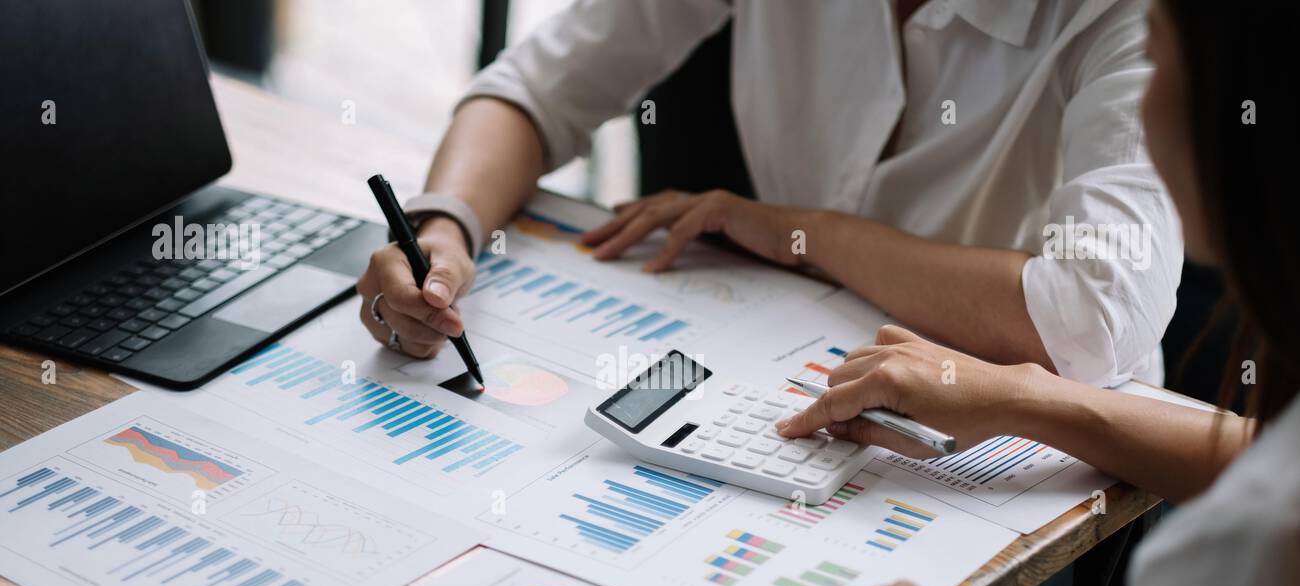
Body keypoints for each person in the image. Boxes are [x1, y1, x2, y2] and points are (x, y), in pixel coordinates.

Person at [778, 0, 1300, 586]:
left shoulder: (1235, 564)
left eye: (1153, 56)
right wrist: (1026, 395)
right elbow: (1272, 455)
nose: (1135, 105)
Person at [355, 0, 1181, 388]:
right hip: (789, 376)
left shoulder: (1128, 19)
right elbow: (541, 87)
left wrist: (798, 231)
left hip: (1029, 461)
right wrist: (446, 226)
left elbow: (1086, 319)